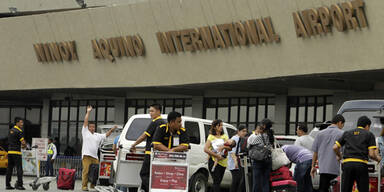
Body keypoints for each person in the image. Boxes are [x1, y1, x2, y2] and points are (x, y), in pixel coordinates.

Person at [333, 116, 381, 192]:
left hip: (347, 165)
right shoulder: (369, 134)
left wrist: (339, 156)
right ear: (367, 126)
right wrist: (378, 159)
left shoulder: (347, 133)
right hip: (361, 165)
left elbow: (335, 147)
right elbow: (371, 154)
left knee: (345, 189)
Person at [130, 104, 165, 192]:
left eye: (152, 111)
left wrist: (134, 145)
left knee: (144, 174)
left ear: (158, 111)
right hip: (159, 154)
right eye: (149, 111)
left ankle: (151, 190)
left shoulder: (155, 122)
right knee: (154, 174)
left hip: (150, 153)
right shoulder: (164, 123)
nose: (150, 113)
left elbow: (144, 136)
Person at [81, 106, 117, 191]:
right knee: (86, 171)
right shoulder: (85, 132)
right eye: (90, 127)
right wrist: (88, 112)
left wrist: (112, 129)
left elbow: (106, 135)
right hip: (86, 156)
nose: (92, 128)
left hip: (95, 157)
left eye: (93, 127)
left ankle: (93, 184)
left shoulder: (97, 135)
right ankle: (84, 186)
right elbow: (85, 121)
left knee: (97, 171)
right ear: (88, 127)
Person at [311, 114, 345, 192]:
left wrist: (313, 167)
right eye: (342, 125)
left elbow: (315, 152)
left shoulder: (320, 134)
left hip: (323, 169)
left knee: (323, 189)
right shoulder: (342, 134)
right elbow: (344, 152)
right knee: (336, 189)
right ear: (340, 122)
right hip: (336, 169)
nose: (342, 127)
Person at [247, 118, 274, 192]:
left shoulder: (260, 136)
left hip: (259, 160)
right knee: (265, 181)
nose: (260, 125)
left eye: (261, 124)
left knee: (256, 182)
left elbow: (249, 145)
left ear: (264, 126)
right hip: (268, 160)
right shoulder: (271, 136)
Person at [204, 119, 230, 192]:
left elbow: (230, 147)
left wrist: (223, 147)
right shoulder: (211, 136)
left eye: (222, 125)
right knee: (216, 181)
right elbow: (205, 149)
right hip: (213, 161)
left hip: (223, 162)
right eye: (220, 125)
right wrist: (216, 155)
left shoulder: (224, 136)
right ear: (215, 127)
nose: (221, 127)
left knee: (218, 182)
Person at [6, 117, 26, 190]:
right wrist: (24, 146)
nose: (22, 124)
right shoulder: (19, 131)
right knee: (19, 168)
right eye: (21, 122)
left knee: (9, 169)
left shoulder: (10, 130)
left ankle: (7, 185)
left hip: (10, 152)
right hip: (16, 152)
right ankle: (19, 185)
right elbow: (23, 142)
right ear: (17, 123)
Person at [228, 125, 248, 192]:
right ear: (238, 131)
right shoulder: (235, 138)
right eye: (243, 131)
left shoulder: (240, 138)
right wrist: (235, 161)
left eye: (245, 131)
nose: (245, 133)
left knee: (238, 181)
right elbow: (232, 151)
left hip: (237, 163)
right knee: (236, 181)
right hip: (234, 163)